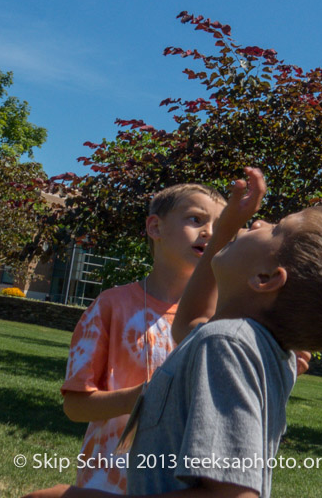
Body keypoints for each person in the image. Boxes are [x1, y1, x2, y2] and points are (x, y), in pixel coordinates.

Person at [26, 167, 322, 498]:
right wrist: (227, 226)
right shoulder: (242, 338)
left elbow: (231, 495)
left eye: (275, 229)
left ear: (265, 279)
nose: (260, 220)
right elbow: (189, 321)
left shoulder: (226, 344)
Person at [61, 184, 227, 494]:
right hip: (109, 481)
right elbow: (75, 406)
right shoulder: (111, 306)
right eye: (196, 219)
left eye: (220, 225)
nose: (209, 232)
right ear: (155, 226)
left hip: (185, 483)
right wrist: (139, 397)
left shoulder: (225, 318)